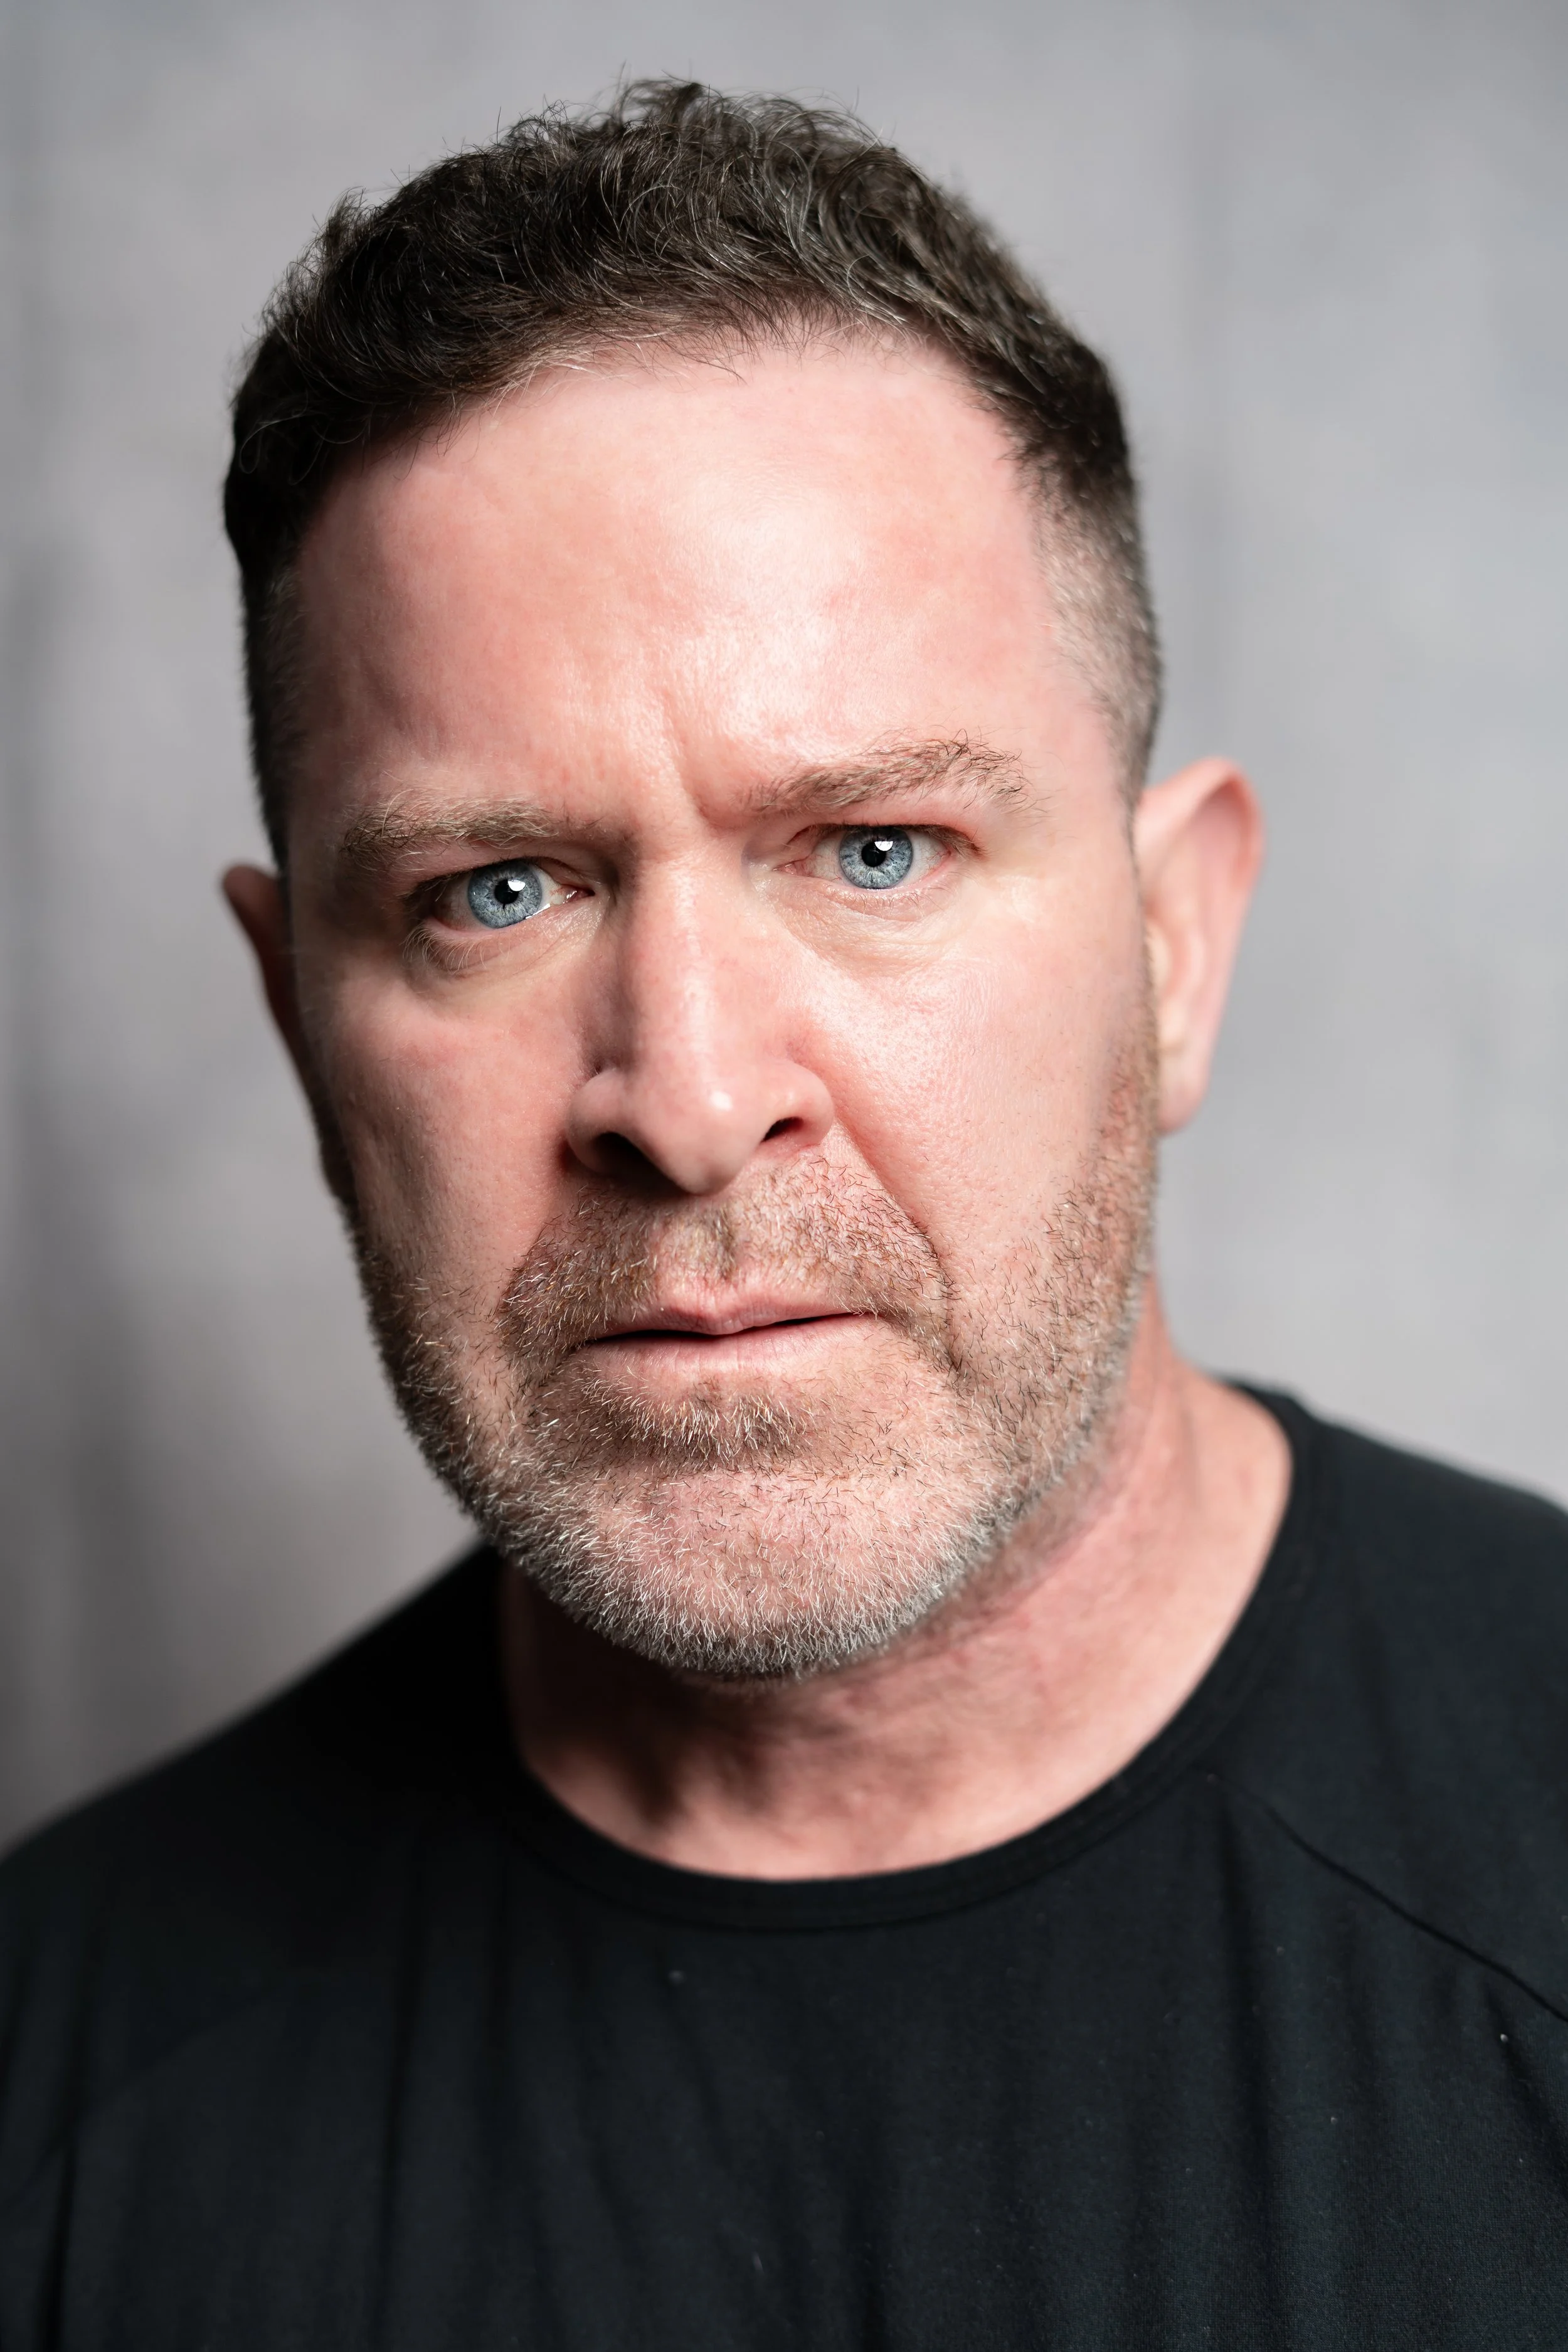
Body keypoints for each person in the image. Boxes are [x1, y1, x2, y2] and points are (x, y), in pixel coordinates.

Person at [2, 78, 1565, 2349]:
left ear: (1172, 948)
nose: (693, 1098)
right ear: (298, 1023)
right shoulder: (63, 2100)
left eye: (873, 852)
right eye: (495, 892)